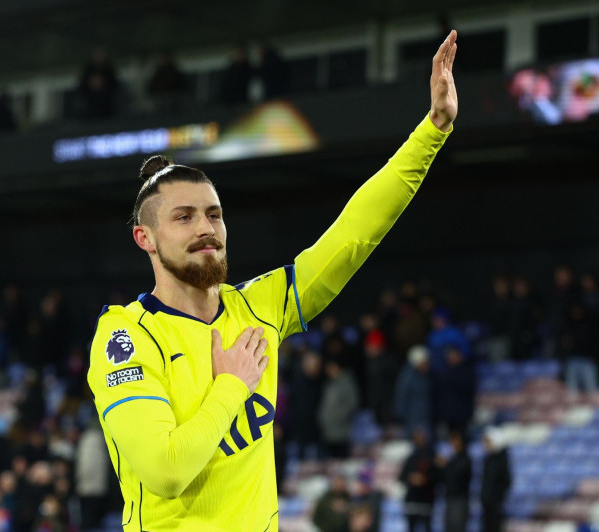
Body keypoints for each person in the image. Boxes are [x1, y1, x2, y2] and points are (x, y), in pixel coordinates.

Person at [86, 30, 458, 531]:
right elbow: (165, 470)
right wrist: (231, 386)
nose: (206, 229)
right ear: (144, 239)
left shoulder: (259, 308)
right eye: (184, 217)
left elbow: (353, 235)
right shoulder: (126, 337)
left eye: (214, 215)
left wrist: (432, 130)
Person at [437, 431, 472, 532]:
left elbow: (455, 475)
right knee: (449, 527)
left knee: (457, 527)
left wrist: (445, 465)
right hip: (450, 498)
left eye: (456, 440)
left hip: (459, 499)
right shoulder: (453, 459)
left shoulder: (465, 458)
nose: (453, 443)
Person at [481, 428, 512, 532]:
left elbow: (506, 481)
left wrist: (497, 497)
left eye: (488, 441)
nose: (485, 445)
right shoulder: (488, 459)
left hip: (495, 503)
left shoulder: (501, 459)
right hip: (487, 503)